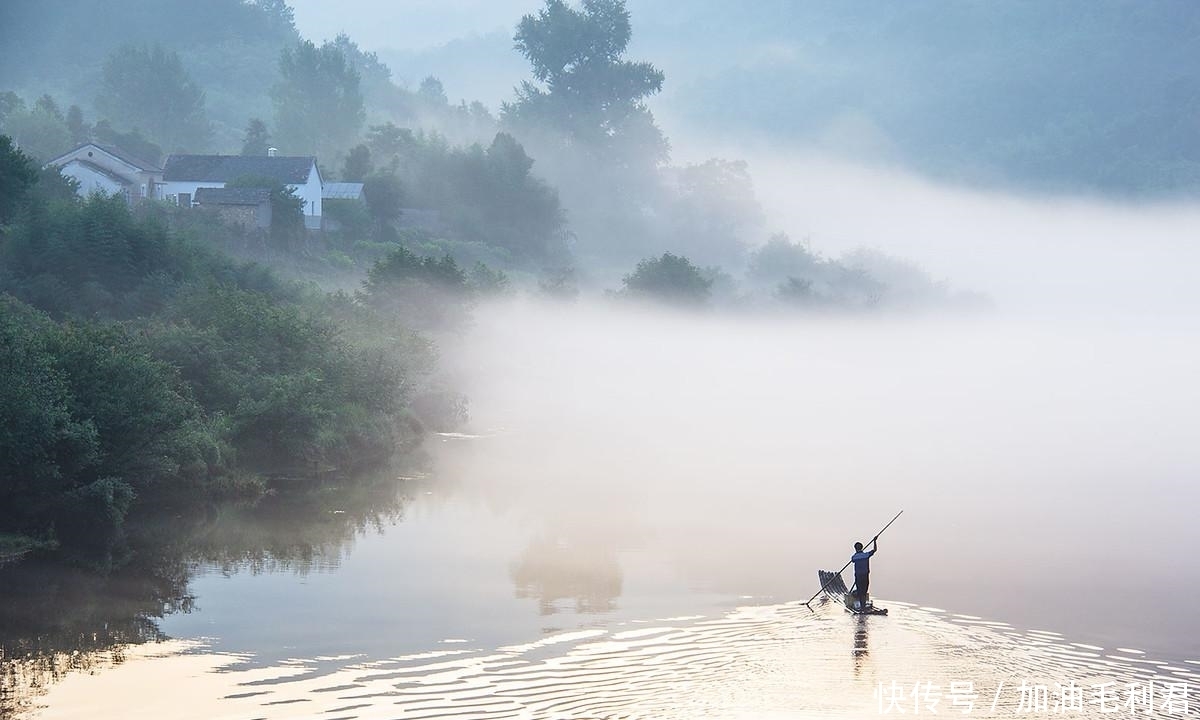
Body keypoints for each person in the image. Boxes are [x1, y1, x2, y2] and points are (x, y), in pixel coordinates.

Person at [850, 536, 878, 606]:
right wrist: (874, 541)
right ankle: (863, 605)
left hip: (858, 576)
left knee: (860, 591)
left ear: (855, 548)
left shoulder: (854, 557)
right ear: (862, 547)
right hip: (865, 576)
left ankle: (862, 606)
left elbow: (852, 560)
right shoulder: (866, 555)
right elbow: (875, 550)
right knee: (864, 591)